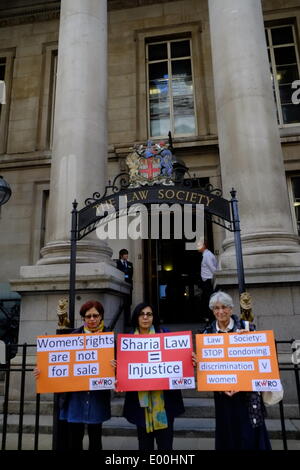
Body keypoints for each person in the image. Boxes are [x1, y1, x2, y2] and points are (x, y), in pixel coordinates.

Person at [34, 300, 111, 451]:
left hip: (97, 396)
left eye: (95, 315)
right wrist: (42, 370)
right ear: (83, 318)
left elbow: (118, 369)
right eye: (88, 316)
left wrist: (115, 366)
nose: (92, 319)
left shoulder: (109, 338)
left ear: (101, 316)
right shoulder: (71, 337)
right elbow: (56, 362)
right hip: (75, 397)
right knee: (74, 439)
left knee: (96, 439)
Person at [201, 291, 272, 450]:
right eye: (216, 308)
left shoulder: (246, 327)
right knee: (229, 434)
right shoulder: (207, 333)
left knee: (249, 435)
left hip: (247, 394)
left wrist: (243, 383)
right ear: (213, 311)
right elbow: (206, 368)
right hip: (223, 395)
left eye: (224, 307)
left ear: (231, 309)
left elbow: (258, 358)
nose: (220, 312)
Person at [116, 302, 185, 450]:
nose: (145, 317)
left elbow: (179, 359)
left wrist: (188, 358)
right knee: (144, 445)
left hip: (165, 403)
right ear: (136, 317)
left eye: (149, 314)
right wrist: (117, 371)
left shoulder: (165, 335)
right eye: (142, 314)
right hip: (141, 405)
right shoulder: (127, 341)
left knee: (166, 446)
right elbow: (122, 370)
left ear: (154, 317)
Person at [197, 240, 218, 323]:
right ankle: (209, 321)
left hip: (208, 282)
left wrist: (216, 278)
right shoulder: (205, 254)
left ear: (204, 246)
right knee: (206, 301)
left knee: (209, 302)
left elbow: (212, 267)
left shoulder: (207, 255)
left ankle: (211, 321)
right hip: (206, 282)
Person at [116, 249, 133, 326]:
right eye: (125, 254)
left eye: (127, 254)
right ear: (121, 255)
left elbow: (131, 274)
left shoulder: (130, 264)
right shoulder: (117, 263)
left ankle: (127, 321)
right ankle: (121, 322)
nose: (127, 256)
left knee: (128, 303)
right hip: (120, 285)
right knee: (121, 303)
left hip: (128, 285)